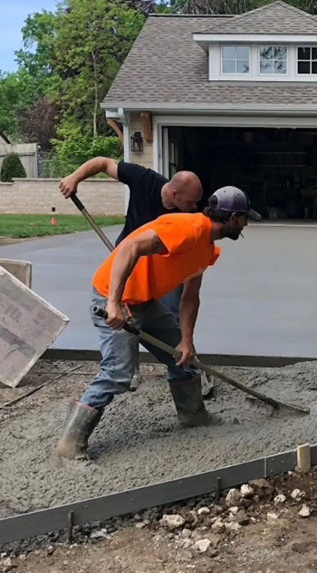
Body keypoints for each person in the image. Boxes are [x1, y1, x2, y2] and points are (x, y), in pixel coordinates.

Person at [54, 186, 260, 461]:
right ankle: (69, 445)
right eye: (245, 218)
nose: (246, 224)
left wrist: (186, 340)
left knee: (184, 358)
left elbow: (189, 299)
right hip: (113, 296)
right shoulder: (187, 228)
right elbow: (130, 246)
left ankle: (194, 418)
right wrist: (113, 303)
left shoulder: (207, 249)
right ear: (234, 218)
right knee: (118, 373)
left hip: (145, 301)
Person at [59, 159, 203, 316]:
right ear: (175, 194)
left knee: (170, 317)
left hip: (163, 268)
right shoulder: (144, 179)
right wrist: (74, 178)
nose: (194, 207)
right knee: (125, 315)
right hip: (129, 257)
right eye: (191, 202)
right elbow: (103, 163)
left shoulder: (188, 217)